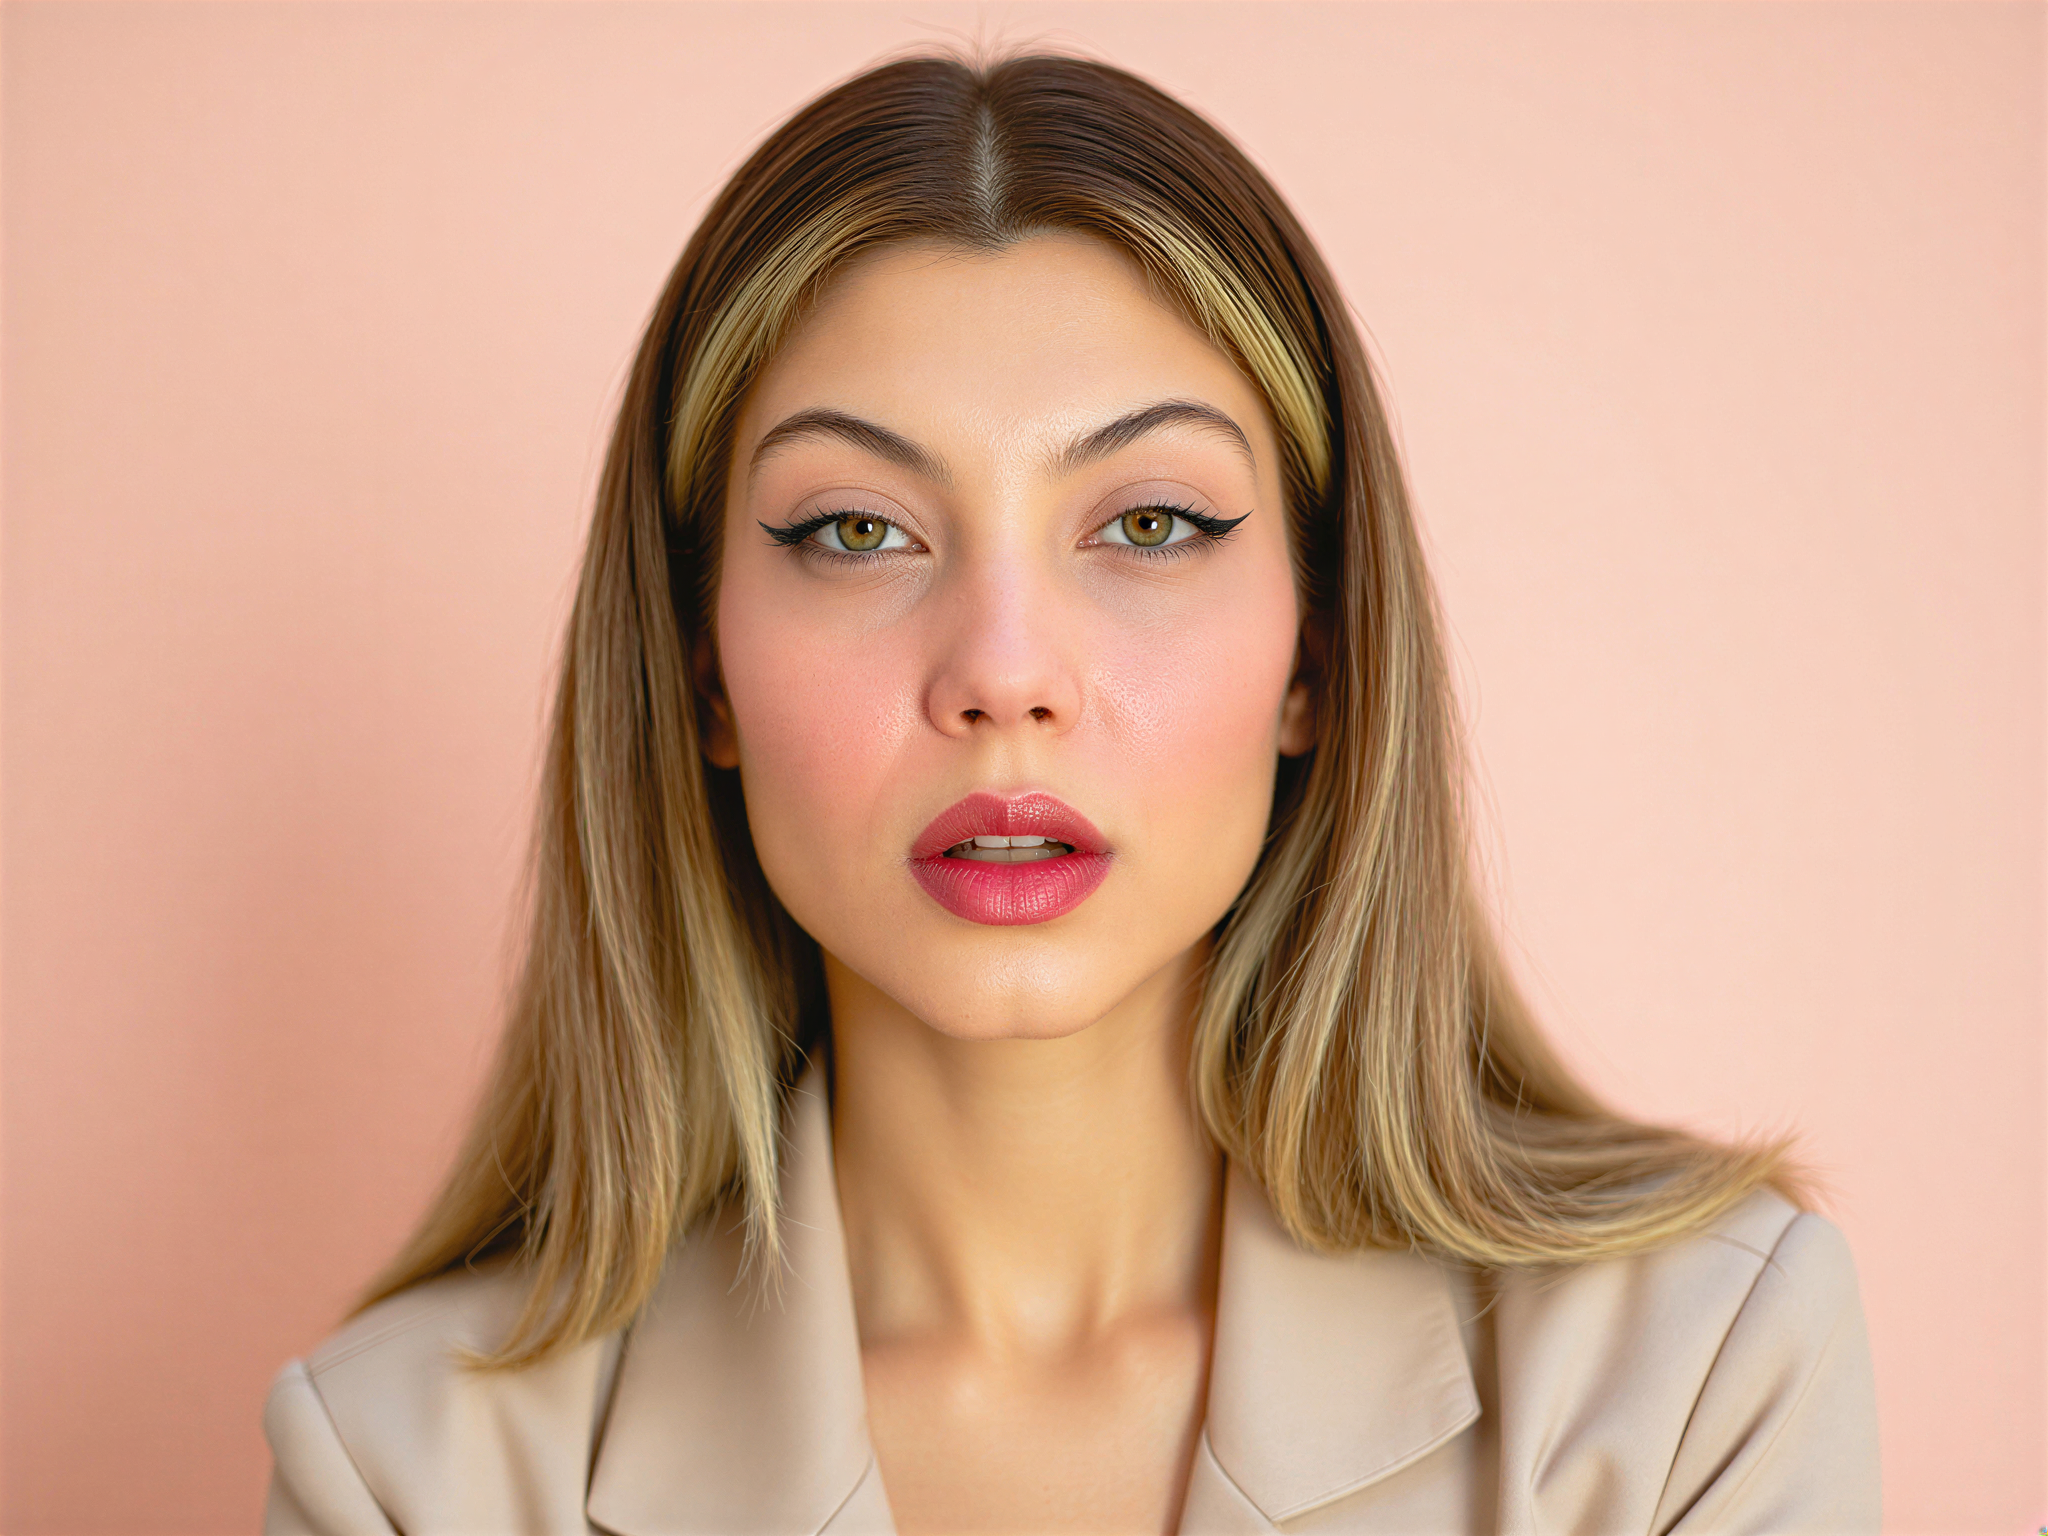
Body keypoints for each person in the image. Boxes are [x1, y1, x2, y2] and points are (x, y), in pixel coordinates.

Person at [261, 48, 1881, 1535]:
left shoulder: (1692, 1380)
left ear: (1319, 651)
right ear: (702, 676)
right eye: (856, 529)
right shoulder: (411, 1471)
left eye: (1152, 523)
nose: (1004, 672)